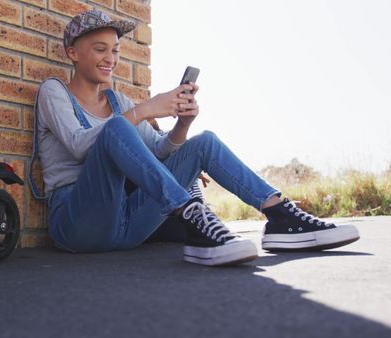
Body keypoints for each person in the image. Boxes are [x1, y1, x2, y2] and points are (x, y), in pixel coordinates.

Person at [28, 9, 359, 266]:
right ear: (73, 53)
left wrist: (182, 125)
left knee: (205, 141)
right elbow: (78, 144)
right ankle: (194, 214)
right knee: (117, 127)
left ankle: (280, 215)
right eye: (100, 49)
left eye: (114, 50)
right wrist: (144, 110)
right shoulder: (54, 91)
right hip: (75, 223)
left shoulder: (120, 103)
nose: (110, 59)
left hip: (124, 226)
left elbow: (159, 151)